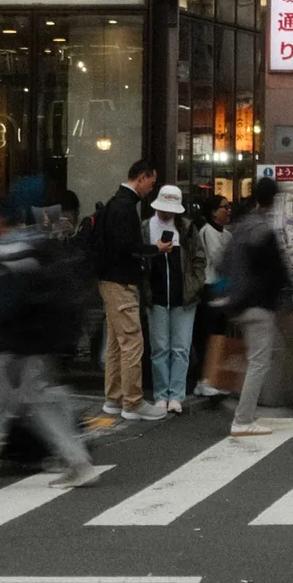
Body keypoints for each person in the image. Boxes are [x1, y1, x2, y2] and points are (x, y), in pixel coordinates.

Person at [0, 202, 109, 493]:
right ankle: (78, 464)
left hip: (18, 343)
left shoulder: (8, 248)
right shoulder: (33, 241)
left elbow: (10, 299)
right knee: (34, 405)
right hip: (41, 339)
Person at [92, 158, 161, 423]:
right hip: (121, 282)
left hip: (109, 280)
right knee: (132, 342)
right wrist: (155, 249)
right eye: (151, 183)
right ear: (142, 177)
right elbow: (127, 246)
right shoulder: (124, 206)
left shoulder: (115, 202)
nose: (150, 189)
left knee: (116, 342)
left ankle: (114, 398)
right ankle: (132, 402)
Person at [222, 177, 288, 436]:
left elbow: (223, 261)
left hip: (237, 302)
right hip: (259, 304)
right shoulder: (264, 230)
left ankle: (246, 399)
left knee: (271, 351)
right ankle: (243, 417)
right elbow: (277, 271)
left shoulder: (241, 226)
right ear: (274, 199)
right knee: (260, 361)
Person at [144, 183, 205, 415]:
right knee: (159, 348)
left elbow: (200, 258)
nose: (166, 213)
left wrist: (194, 283)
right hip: (157, 297)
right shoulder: (146, 227)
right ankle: (161, 394)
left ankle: (176, 394)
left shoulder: (187, 229)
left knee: (180, 347)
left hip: (184, 297)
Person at [192, 192, 234, 394]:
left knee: (219, 334)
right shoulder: (207, 232)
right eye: (223, 207)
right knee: (207, 335)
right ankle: (203, 380)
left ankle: (215, 378)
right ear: (212, 212)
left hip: (223, 288)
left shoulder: (227, 234)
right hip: (210, 288)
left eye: (228, 207)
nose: (228, 211)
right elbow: (219, 260)